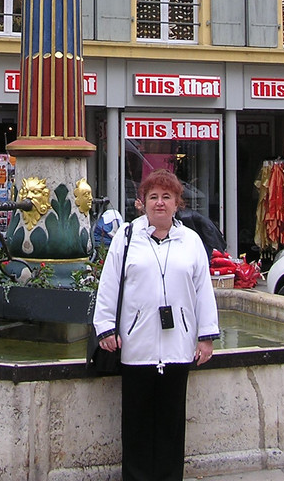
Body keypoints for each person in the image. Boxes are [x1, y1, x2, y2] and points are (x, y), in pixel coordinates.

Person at [93, 169, 219, 481]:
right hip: (137, 346)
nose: (159, 203)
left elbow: (203, 291)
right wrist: (106, 327)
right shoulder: (126, 238)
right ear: (142, 203)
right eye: (153, 197)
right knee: (136, 423)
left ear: (178, 203)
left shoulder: (191, 241)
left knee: (171, 424)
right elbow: (109, 285)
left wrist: (206, 337)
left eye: (166, 197)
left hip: (178, 346)